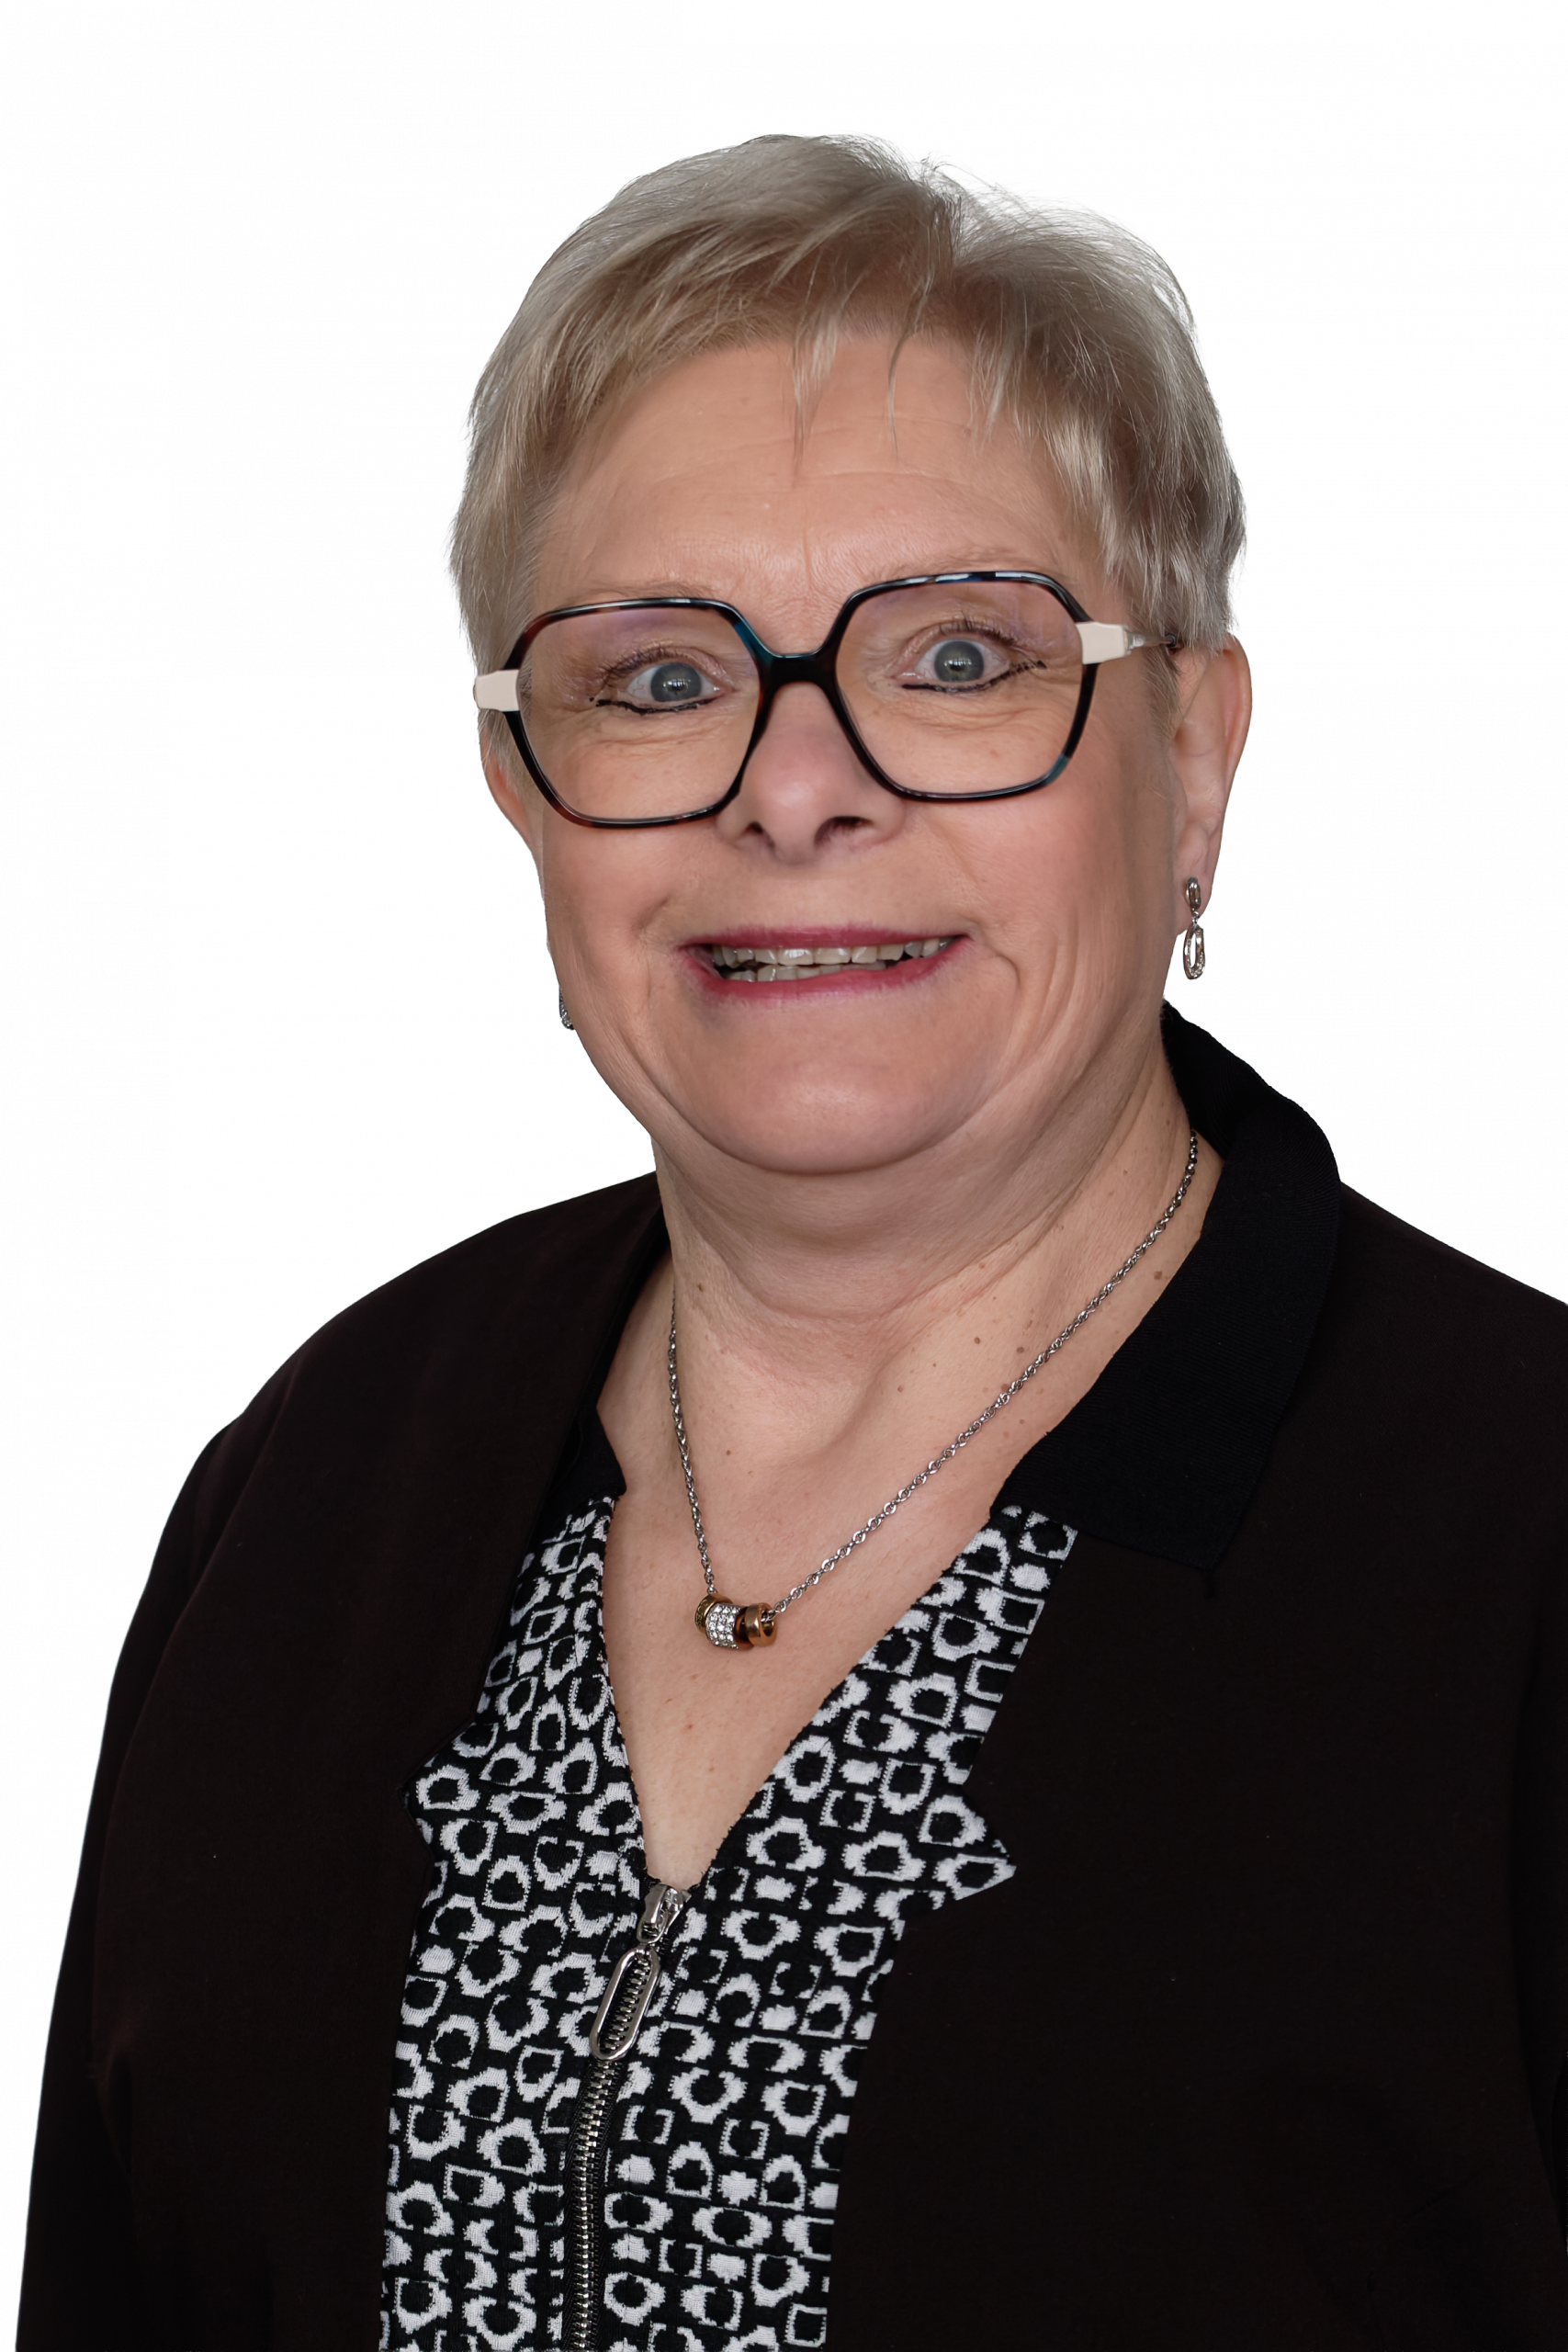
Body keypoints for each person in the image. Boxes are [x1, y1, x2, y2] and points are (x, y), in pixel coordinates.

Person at [19, 131, 1565, 2352]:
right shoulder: (316, 1474)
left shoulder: (1525, 1529)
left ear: (1195, 748)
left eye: (956, 653)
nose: (793, 784)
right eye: (657, 679)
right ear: (520, 791)